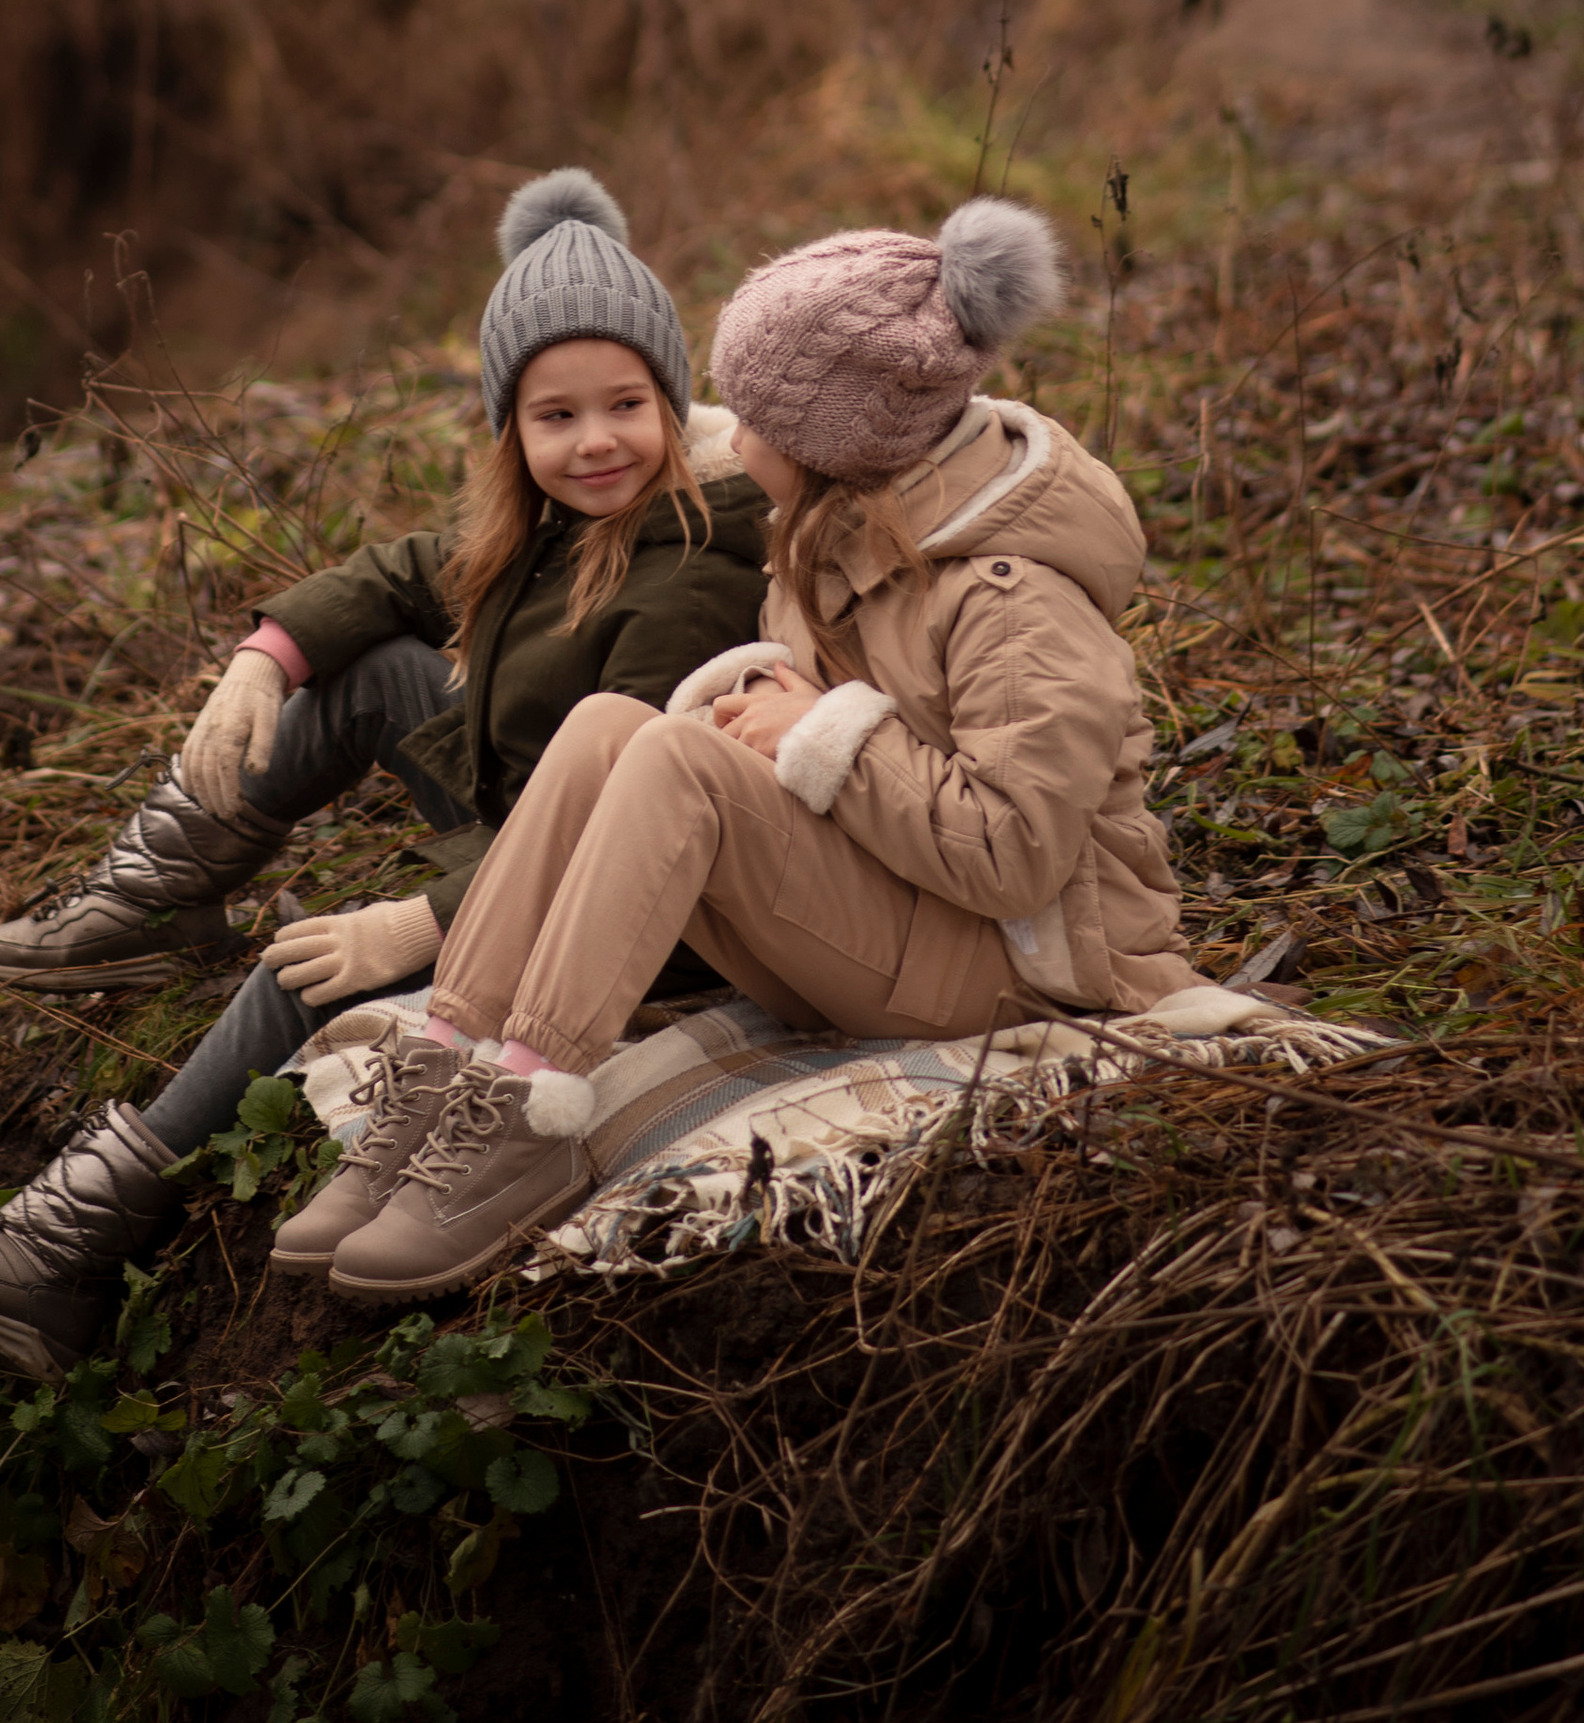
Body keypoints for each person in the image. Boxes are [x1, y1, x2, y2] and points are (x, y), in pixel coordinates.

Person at [0, 169, 769, 1373]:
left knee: (308, 968)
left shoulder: (692, 562)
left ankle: (61, 1259)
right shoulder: (559, 527)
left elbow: (620, 818)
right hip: (533, 830)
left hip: (641, 905)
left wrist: (412, 923)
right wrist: (263, 658)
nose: (594, 441)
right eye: (555, 417)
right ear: (511, 427)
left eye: (624, 406)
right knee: (379, 670)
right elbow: (402, 572)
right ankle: (161, 891)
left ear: (671, 401)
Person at [274, 191, 1201, 1299]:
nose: (727, 432)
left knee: (673, 755)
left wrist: (817, 728)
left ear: (827, 445)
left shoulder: (1012, 599)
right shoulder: (834, 532)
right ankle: (448, 1071)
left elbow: (1016, 857)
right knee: (613, 725)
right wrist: (780, 705)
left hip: (1023, 972)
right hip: (901, 915)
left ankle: (534, 1112)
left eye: (752, 416)